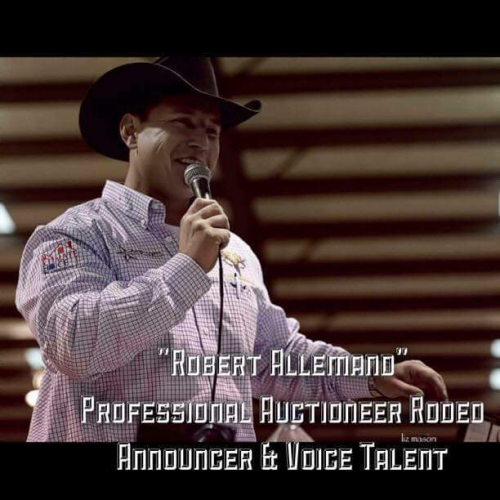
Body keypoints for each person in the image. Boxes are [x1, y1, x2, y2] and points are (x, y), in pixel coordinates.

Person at [15, 56, 448, 442]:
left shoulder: (234, 252)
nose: (201, 142)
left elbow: (274, 357)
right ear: (130, 131)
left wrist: (368, 374)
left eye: (212, 131)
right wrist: (187, 267)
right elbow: (74, 343)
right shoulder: (75, 234)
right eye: (182, 122)